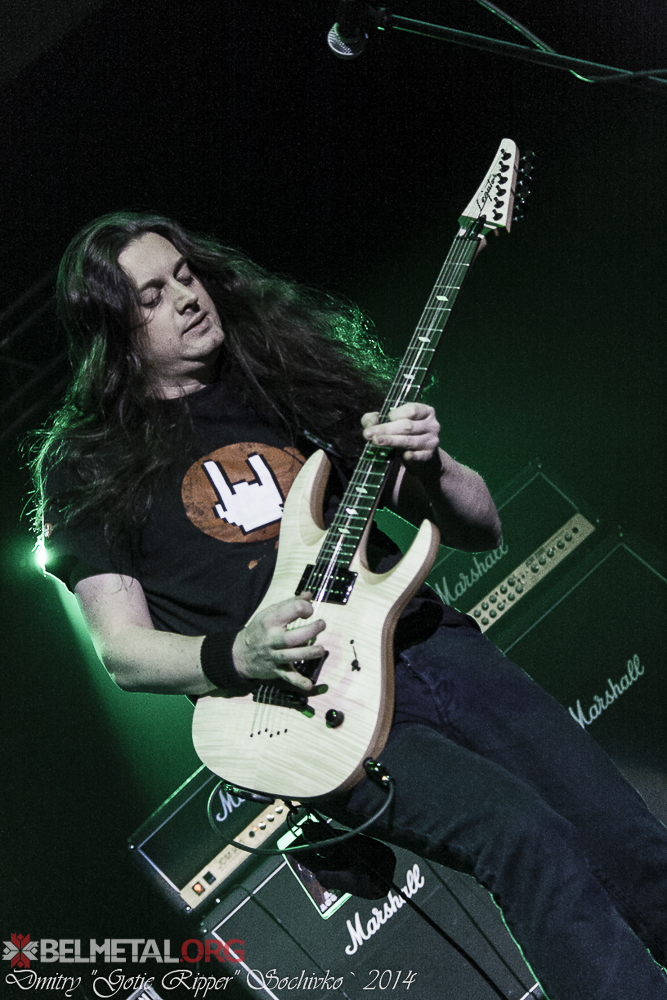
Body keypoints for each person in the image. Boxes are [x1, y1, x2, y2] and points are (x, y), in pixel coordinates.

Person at [33, 211, 667, 1000]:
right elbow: (123, 651)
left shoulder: (289, 377)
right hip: (315, 710)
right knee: (519, 833)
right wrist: (239, 653)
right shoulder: (89, 463)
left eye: (186, 275)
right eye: (152, 296)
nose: (187, 298)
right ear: (113, 334)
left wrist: (430, 460)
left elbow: (479, 526)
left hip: (433, 646)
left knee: (622, 837)